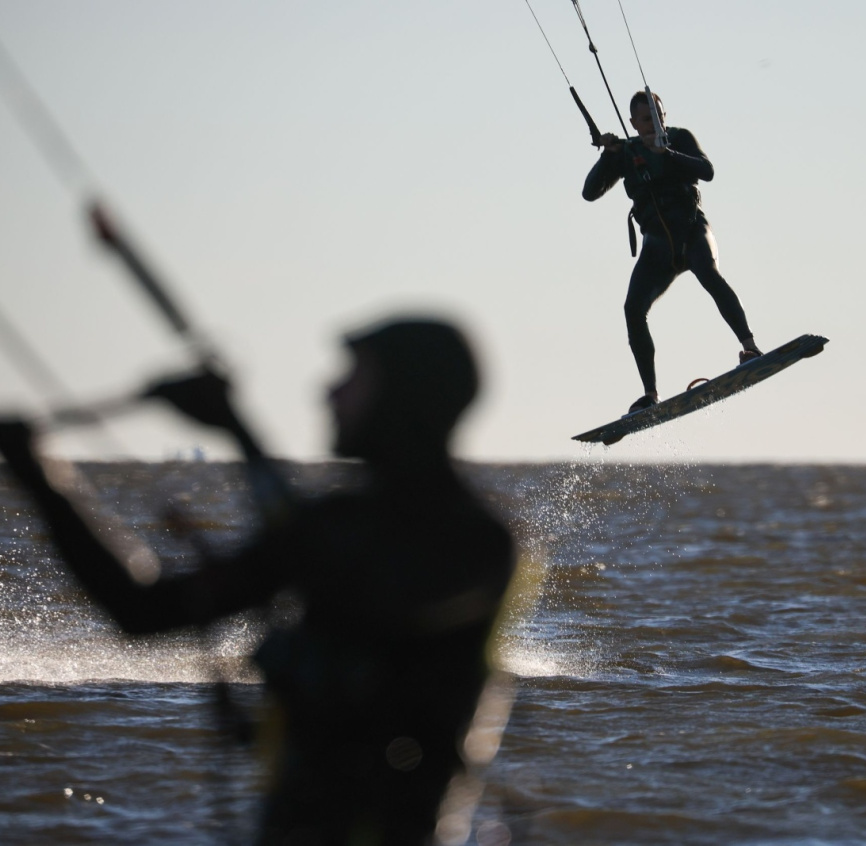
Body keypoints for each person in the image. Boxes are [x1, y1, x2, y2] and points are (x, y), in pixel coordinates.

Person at [0, 317, 515, 845]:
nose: (329, 392)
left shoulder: (471, 541)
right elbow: (142, 610)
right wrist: (40, 478)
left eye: (355, 377)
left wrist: (238, 429)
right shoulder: (335, 526)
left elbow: (352, 571)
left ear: (405, 397)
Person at [583, 90, 763, 415]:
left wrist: (667, 153)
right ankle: (650, 394)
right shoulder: (626, 152)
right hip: (657, 247)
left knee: (709, 274)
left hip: (692, 231)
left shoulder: (678, 138)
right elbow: (589, 193)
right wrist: (608, 156)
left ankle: (750, 349)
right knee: (633, 309)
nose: (654, 124)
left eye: (658, 117)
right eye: (646, 120)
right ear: (633, 123)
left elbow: (707, 171)